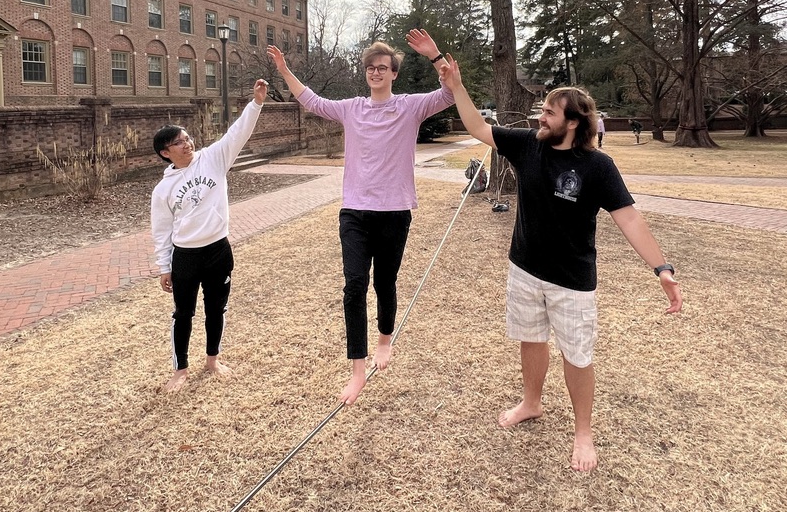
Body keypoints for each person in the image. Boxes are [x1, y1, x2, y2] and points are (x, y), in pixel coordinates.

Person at [439, 57, 682, 472]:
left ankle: (582, 432)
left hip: (572, 281)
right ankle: (531, 403)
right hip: (524, 270)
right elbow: (478, 128)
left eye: (549, 111)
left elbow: (629, 217)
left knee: (577, 356)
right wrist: (457, 86)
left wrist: (661, 269)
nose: (541, 115)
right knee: (530, 340)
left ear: (571, 122)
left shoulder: (597, 166)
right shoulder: (527, 144)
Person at [267, 31, 455, 405]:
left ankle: (385, 339)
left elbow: (449, 95)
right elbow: (312, 101)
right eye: (370, 68)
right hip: (354, 210)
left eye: (382, 68)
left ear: (393, 73)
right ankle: (357, 369)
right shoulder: (351, 107)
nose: (375, 72)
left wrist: (435, 57)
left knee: (385, 283)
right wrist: (285, 71)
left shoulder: (410, 107)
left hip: (394, 210)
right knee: (354, 286)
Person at [151, 79, 269, 393]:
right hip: (186, 257)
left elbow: (238, 133)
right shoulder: (163, 189)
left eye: (187, 138)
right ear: (166, 152)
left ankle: (212, 359)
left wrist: (256, 102)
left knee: (216, 308)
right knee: (184, 313)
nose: (186, 143)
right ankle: (180, 369)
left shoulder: (214, 158)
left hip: (218, 250)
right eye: (178, 142)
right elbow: (162, 231)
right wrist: (165, 266)